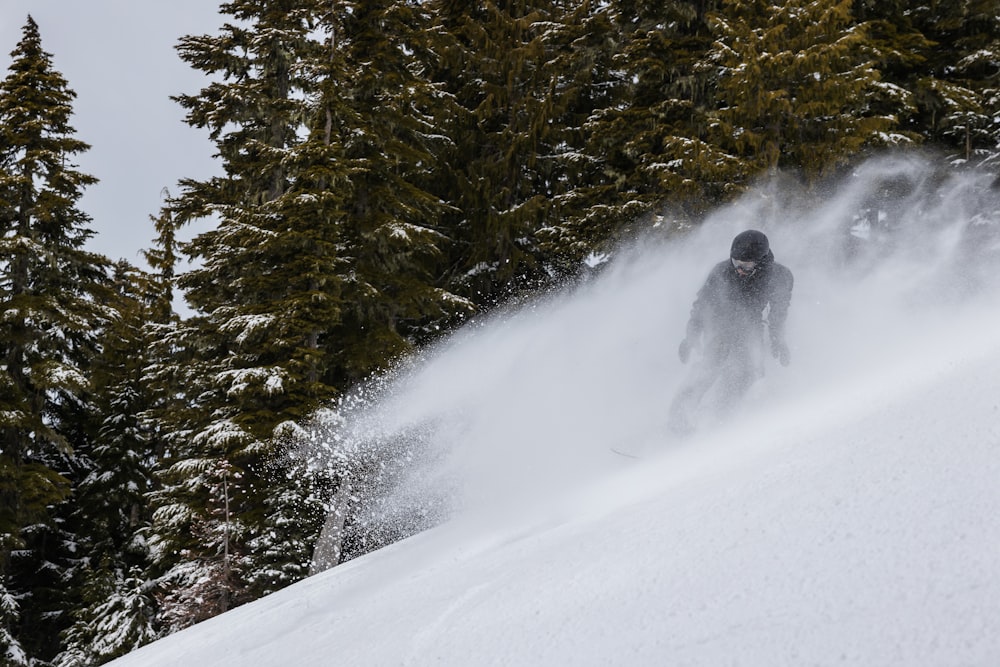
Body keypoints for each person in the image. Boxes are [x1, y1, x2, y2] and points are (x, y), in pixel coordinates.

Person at [668, 229, 794, 433]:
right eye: (736, 263)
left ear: (761, 262)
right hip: (721, 324)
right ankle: (677, 421)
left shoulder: (780, 276)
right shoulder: (722, 271)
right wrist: (691, 335)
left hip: (751, 328)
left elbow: (779, 312)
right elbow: (702, 304)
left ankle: (720, 422)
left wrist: (777, 339)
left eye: (746, 265)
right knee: (708, 367)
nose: (740, 270)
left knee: (747, 373)